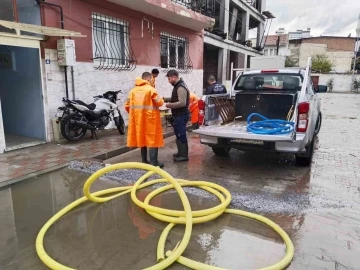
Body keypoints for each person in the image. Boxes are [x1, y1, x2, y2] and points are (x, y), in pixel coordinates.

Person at [125, 72, 164, 168]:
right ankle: (154, 162)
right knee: (152, 139)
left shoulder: (132, 91)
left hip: (138, 120)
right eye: (151, 79)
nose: (152, 80)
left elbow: (127, 105)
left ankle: (144, 160)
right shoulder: (151, 90)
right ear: (148, 79)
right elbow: (160, 102)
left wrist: (135, 115)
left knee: (141, 138)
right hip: (151, 120)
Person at [164, 70, 190, 162]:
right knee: (178, 134)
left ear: (174, 77)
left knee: (181, 134)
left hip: (181, 115)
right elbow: (176, 98)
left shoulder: (180, 87)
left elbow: (182, 102)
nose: (169, 80)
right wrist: (166, 99)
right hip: (178, 115)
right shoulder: (177, 86)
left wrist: (169, 105)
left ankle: (184, 155)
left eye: (169, 78)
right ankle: (180, 152)